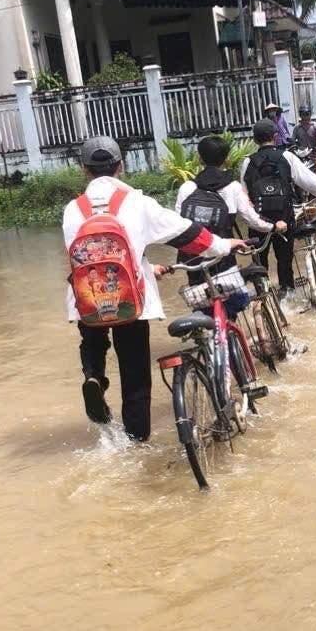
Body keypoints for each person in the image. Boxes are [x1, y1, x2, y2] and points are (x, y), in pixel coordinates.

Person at [63, 136, 246, 441]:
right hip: (130, 299)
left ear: (84, 170)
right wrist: (223, 245)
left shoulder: (72, 210)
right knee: (134, 373)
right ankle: (137, 439)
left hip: (88, 297)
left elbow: (94, 258)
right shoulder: (136, 203)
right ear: (120, 166)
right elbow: (186, 233)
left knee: (93, 340)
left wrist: (147, 267)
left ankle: (93, 375)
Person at [175, 134, 287, 279]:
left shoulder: (186, 188)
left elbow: (178, 224)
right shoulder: (233, 187)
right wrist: (273, 226)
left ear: (200, 159)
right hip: (223, 256)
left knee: (200, 296)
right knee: (237, 298)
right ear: (227, 160)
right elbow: (252, 219)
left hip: (194, 260)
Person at [241, 118, 316, 294]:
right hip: (284, 218)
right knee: (285, 259)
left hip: (258, 221)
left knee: (260, 262)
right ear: (275, 137)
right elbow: (310, 181)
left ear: (254, 140)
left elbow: (244, 196)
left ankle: (264, 298)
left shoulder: (247, 162)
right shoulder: (287, 157)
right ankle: (287, 293)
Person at [291, 106, 316, 180]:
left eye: (307, 114)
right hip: (302, 155)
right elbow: (293, 140)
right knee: (296, 175)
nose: (306, 117)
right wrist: (292, 144)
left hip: (315, 153)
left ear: (310, 115)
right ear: (300, 115)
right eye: (303, 114)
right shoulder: (297, 128)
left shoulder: (315, 126)